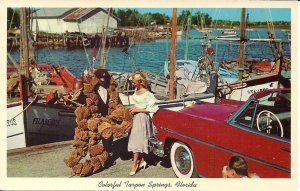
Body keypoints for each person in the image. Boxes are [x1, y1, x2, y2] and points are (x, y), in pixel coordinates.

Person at [127, 72, 159, 176]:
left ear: (140, 82)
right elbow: (137, 103)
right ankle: (142, 161)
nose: (133, 84)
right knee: (139, 140)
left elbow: (152, 108)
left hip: (143, 118)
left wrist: (137, 109)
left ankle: (134, 164)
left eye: (134, 82)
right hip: (136, 117)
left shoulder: (148, 94)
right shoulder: (136, 90)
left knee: (137, 141)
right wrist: (133, 108)